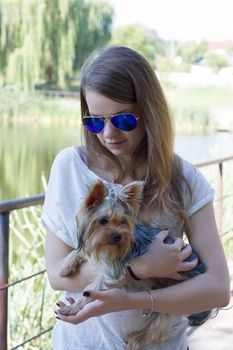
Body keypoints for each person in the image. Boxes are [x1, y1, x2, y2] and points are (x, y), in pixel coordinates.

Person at [42, 45, 230, 350]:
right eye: (94, 121)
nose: (108, 134)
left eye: (123, 120)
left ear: (149, 112)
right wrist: (137, 268)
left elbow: (219, 289)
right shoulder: (70, 167)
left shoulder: (183, 179)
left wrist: (135, 299)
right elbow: (58, 276)